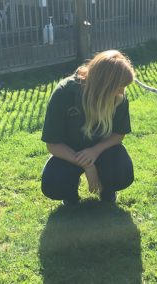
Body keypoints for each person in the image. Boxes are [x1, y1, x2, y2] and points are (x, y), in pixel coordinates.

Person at [41, 50, 135, 204]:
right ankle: (69, 195)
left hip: (103, 151)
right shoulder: (64, 92)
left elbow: (119, 134)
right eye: (119, 86)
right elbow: (53, 144)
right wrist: (88, 166)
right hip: (69, 153)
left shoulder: (119, 97)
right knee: (53, 183)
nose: (122, 92)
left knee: (122, 172)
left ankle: (108, 190)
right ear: (104, 85)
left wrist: (94, 151)